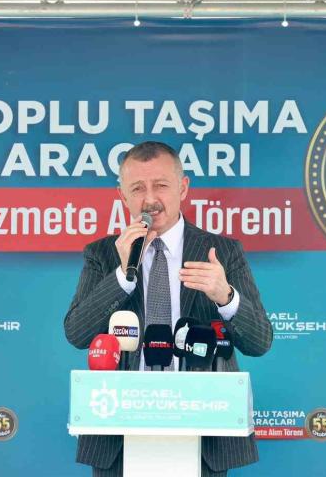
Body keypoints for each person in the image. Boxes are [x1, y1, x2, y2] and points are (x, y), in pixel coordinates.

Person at [64, 141, 273, 476]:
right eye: (137, 188)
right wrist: (121, 277)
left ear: (183, 188)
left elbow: (260, 341)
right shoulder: (103, 254)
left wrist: (225, 296)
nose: (149, 199)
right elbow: (76, 333)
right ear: (122, 196)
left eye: (160, 185)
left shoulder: (222, 252)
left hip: (204, 432)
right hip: (119, 436)